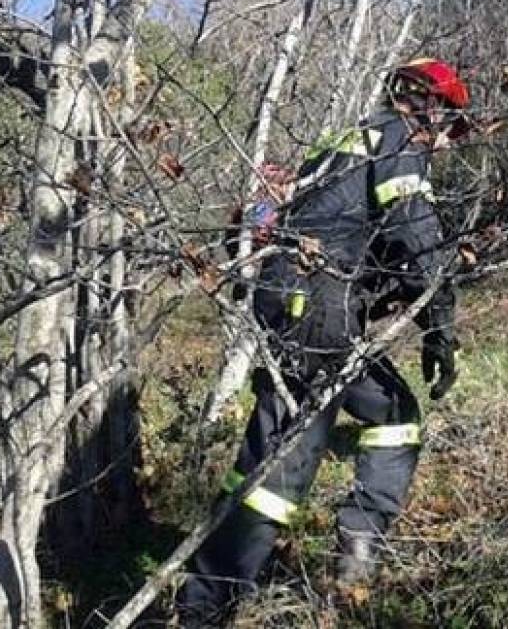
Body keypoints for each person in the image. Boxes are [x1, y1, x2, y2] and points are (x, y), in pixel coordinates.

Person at [178, 58, 470, 624]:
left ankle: (351, 558)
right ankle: (209, 605)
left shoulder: (350, 139)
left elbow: (360, 233)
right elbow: (416, 237)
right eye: (451, 126)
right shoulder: (397, 139)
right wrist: (440, 332)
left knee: (389, 413)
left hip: (300, 301)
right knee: (285, 459)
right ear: (429, 107)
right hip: (315, 307)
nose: (449, 142)